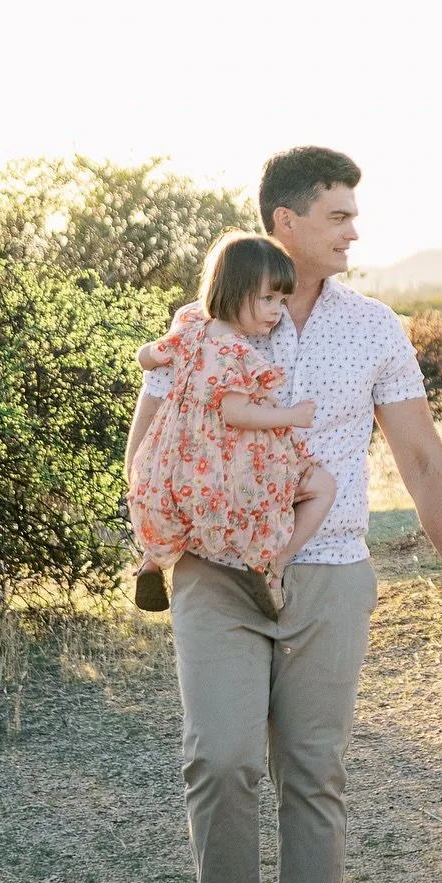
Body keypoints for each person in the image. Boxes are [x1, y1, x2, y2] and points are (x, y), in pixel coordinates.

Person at [123, 147, 442, 883]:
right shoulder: (203, 323)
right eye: (338, 214)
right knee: (220, 759)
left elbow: (421, 456)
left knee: (314, 774)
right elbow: (149, 437)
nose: (354, 230)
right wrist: (150, 537)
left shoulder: (373, 328)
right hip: (216, 571)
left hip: (328, 568)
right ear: (285, 223)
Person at [127, 231, 336, 618]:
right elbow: (236, 414)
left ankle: (153, 562)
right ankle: (274, 564)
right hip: (225, 459)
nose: (277, 311)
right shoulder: (233, 352)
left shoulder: (190, 326)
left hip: (176, 451)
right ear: (235, 291)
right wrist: (290, 416)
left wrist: (150, 355)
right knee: (317, 488)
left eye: (282, 300)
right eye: (268, 299)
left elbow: (146, 356)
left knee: (174, 508)